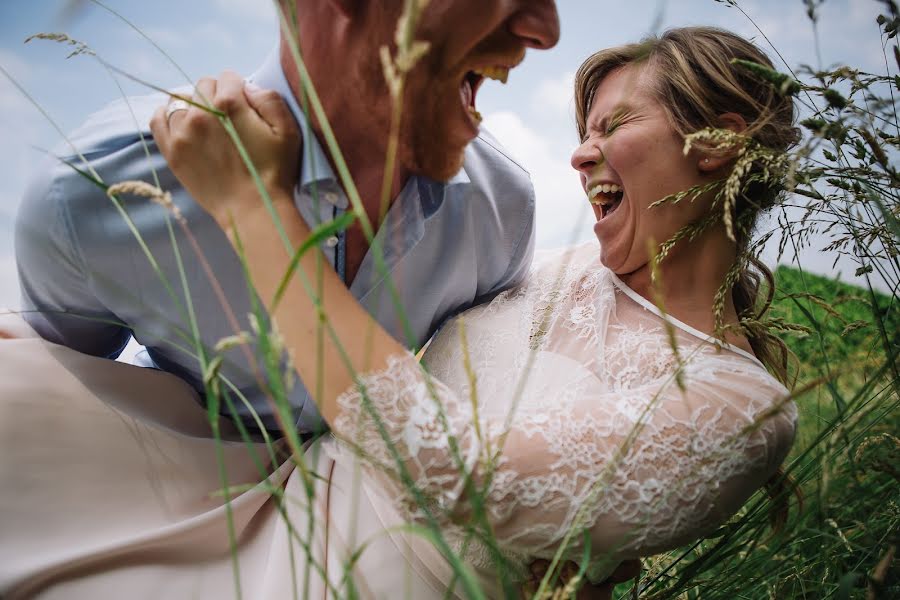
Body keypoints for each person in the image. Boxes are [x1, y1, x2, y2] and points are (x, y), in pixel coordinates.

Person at [0, 27, 798, 599]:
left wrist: (254, 208)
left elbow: (461, 476)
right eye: (583, 132)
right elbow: (378, 364)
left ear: (721, 141)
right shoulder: (553, 270)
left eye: (614, 125)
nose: (580, 154)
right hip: (251, 505)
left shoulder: (744, 409)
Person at [14, 0, 560, 435]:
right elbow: (52, 418)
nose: (546, 30)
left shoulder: (504, 212)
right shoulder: (93, 189)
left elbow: (477, 432)